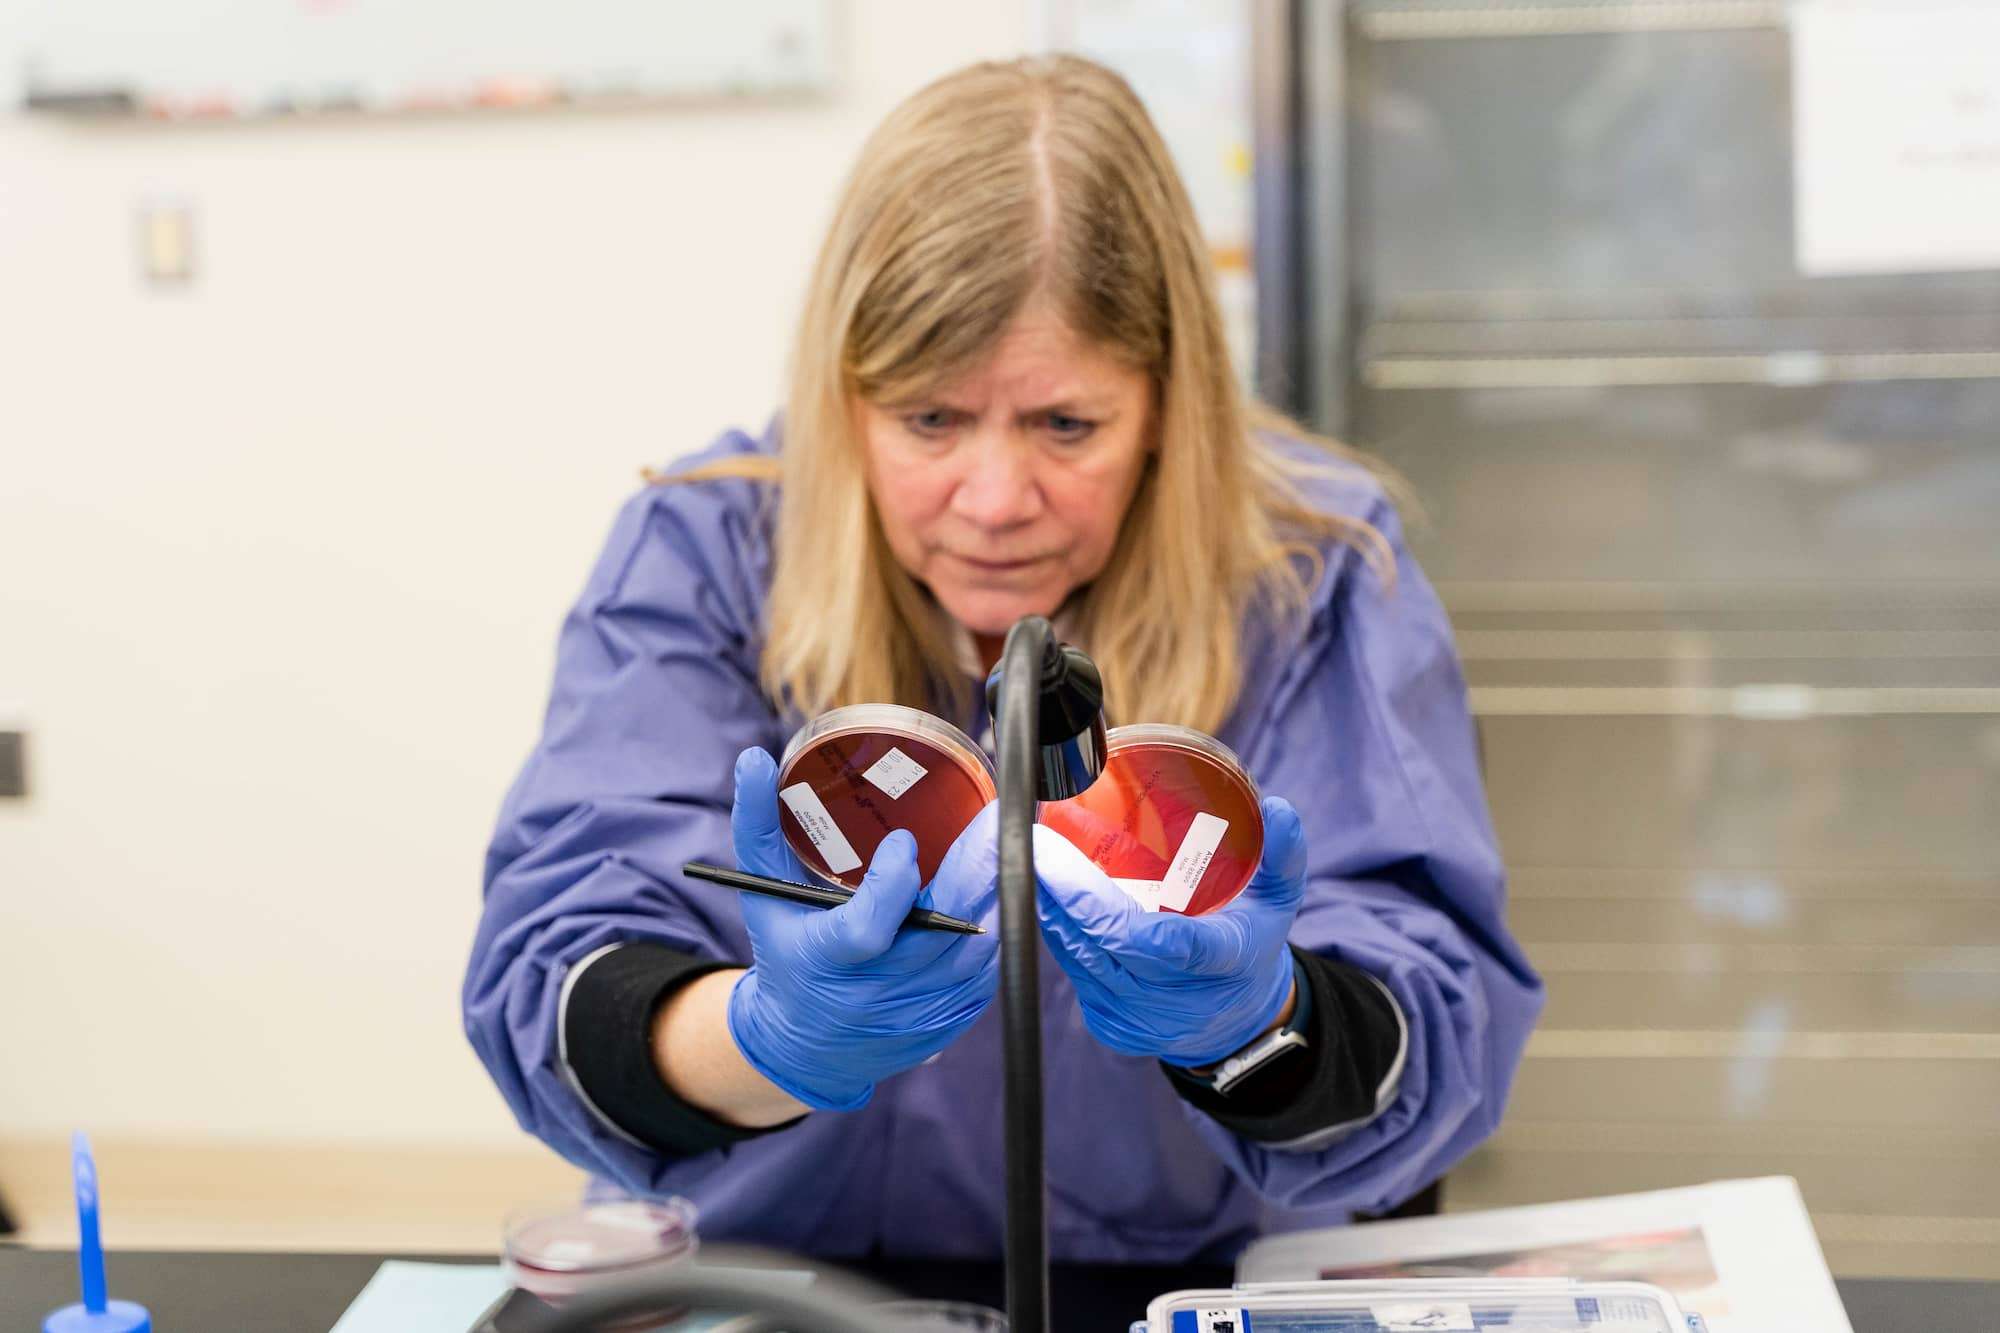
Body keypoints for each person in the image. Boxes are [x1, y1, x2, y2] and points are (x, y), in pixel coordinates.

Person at [463, 55, 1541, 1264]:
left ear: (1166, 407)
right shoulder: (705, 552)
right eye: (928, 419)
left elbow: (1425, 1023)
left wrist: (1259, 1020)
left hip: (1174, 1279)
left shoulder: (1313, 575)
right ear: (842, 396)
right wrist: (768, 1035)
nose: (992, 499)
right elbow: (560, 965)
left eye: (1064, 425)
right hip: (792, 1283)